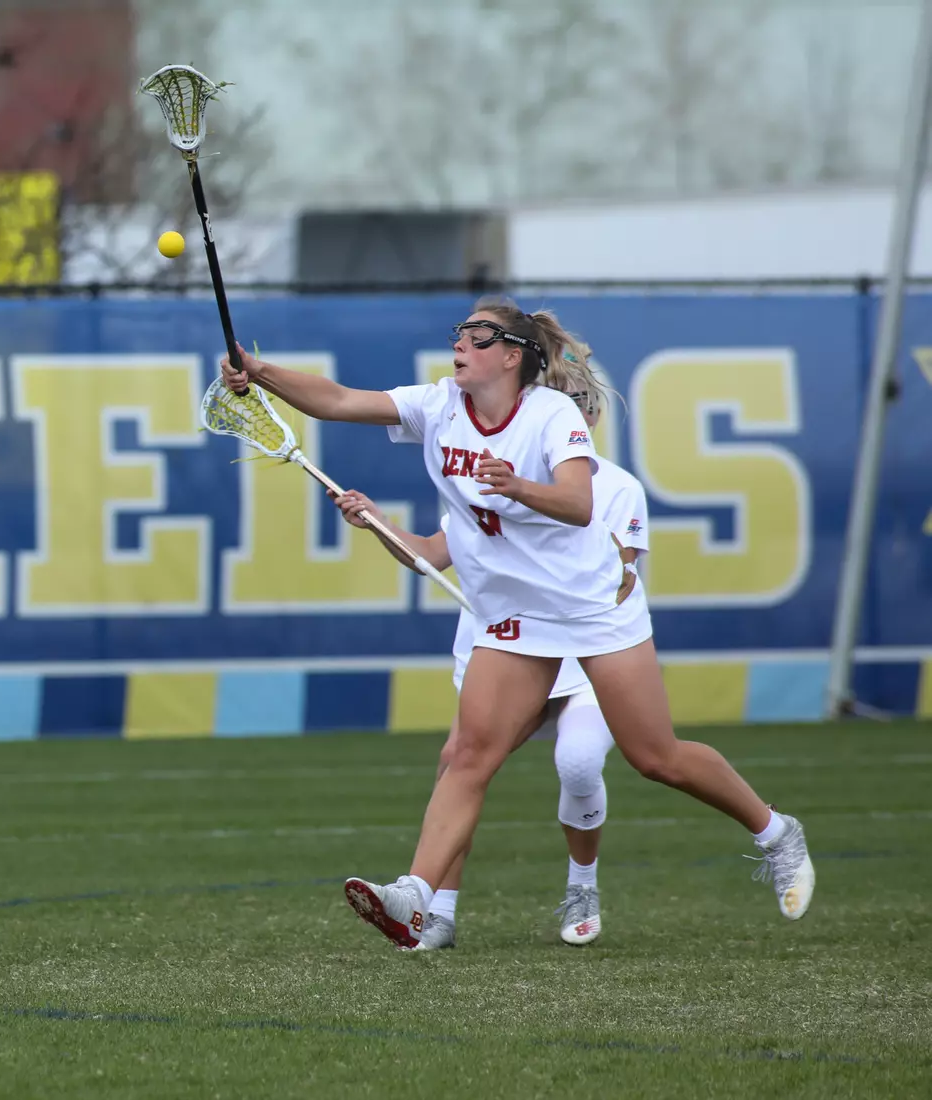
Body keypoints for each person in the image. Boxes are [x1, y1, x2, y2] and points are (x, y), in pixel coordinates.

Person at [218, 298, 814, 950]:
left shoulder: (551, 414)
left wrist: (517, 486)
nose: (461, 344)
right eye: (460, 333)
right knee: (468, 758)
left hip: (591, 608)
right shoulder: (438, 405)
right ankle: (415, 896)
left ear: (511, 355)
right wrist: (260, 370)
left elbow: (581, 503)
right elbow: (335, 400)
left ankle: (775, 832)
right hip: (516, 617)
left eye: (478, 336)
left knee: (657, 757)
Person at [326, 374, 649, 949]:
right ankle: (435, 911)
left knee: (581, 763)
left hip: (580, 656)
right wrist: (376, 521)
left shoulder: (615, 487)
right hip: (508, 647)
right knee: (458, 763)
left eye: (575, 407)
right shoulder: (482, 473)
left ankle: (582, 885)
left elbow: (621, 576)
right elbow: (429, 554)